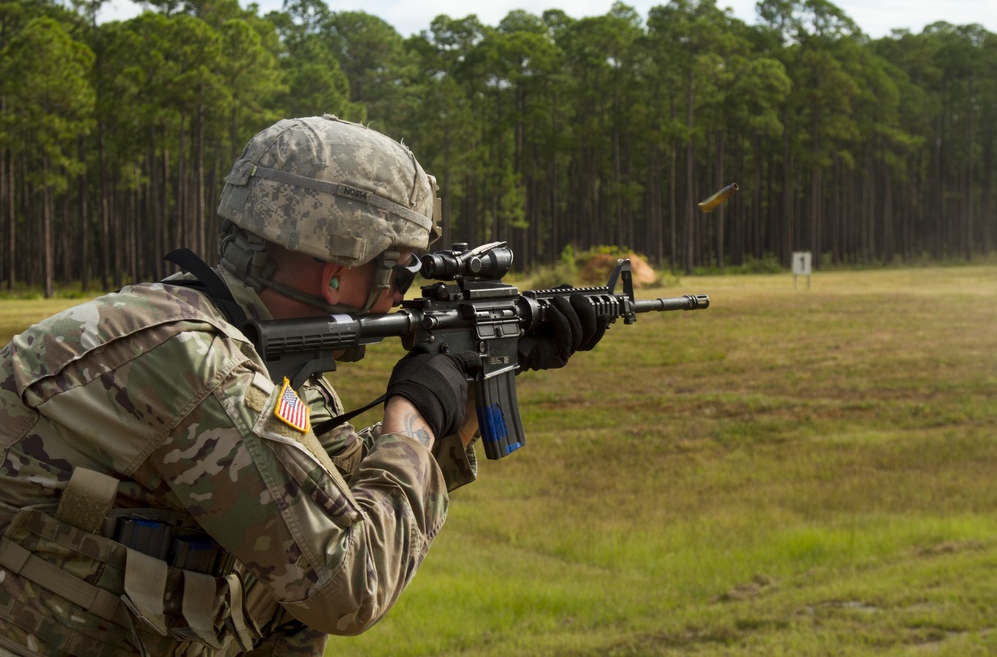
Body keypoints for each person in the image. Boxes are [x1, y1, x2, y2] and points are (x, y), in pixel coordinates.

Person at [0, 115, 606, 656]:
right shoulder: (195, 364)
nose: (402, 293)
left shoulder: (260, 361)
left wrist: (475, 388)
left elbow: (346, 494)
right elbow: (347, 583)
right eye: (400, 269)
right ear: (339, 273)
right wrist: (413, 417)